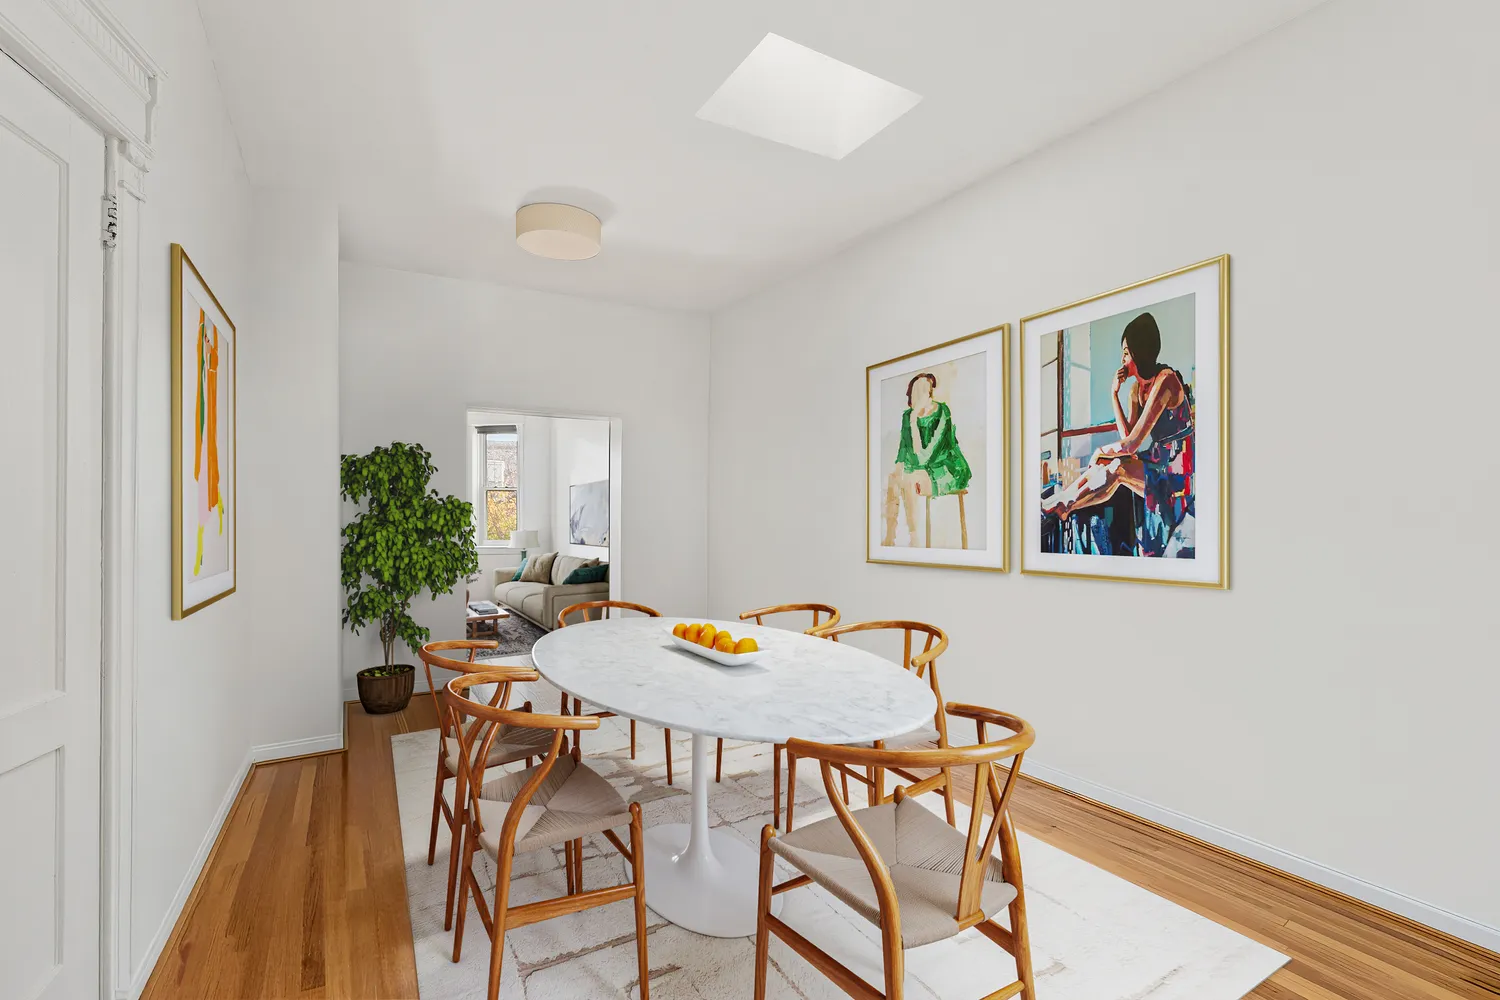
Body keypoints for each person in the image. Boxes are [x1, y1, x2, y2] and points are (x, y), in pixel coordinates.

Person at [1042, 312, 1194, 556]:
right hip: (1157, 461)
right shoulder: (1136, 389)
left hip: (1178, 469)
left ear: (1139, 351)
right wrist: (1114, 395)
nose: (1122, 359)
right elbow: (1128, 437)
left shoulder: (1166, 380)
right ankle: (1065, 501)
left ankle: (1066, 503)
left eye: (1126, 352)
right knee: (1112, 464)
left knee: (1117, 468)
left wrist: (1100, 451)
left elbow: (1131, 445)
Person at [883, 372, 972, 546]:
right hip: (922, 469)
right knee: (894, 479)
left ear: (930, 392)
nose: (919, 395)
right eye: (916, 391)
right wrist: (898, 470)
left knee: (909, 480)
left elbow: (925, 456)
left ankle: (914, 539)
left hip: (946, 468)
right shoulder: (907, 416)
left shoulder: (942, 413)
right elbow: (903, 449)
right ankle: (889, 538)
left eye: (924, 390)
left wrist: (914, 421)